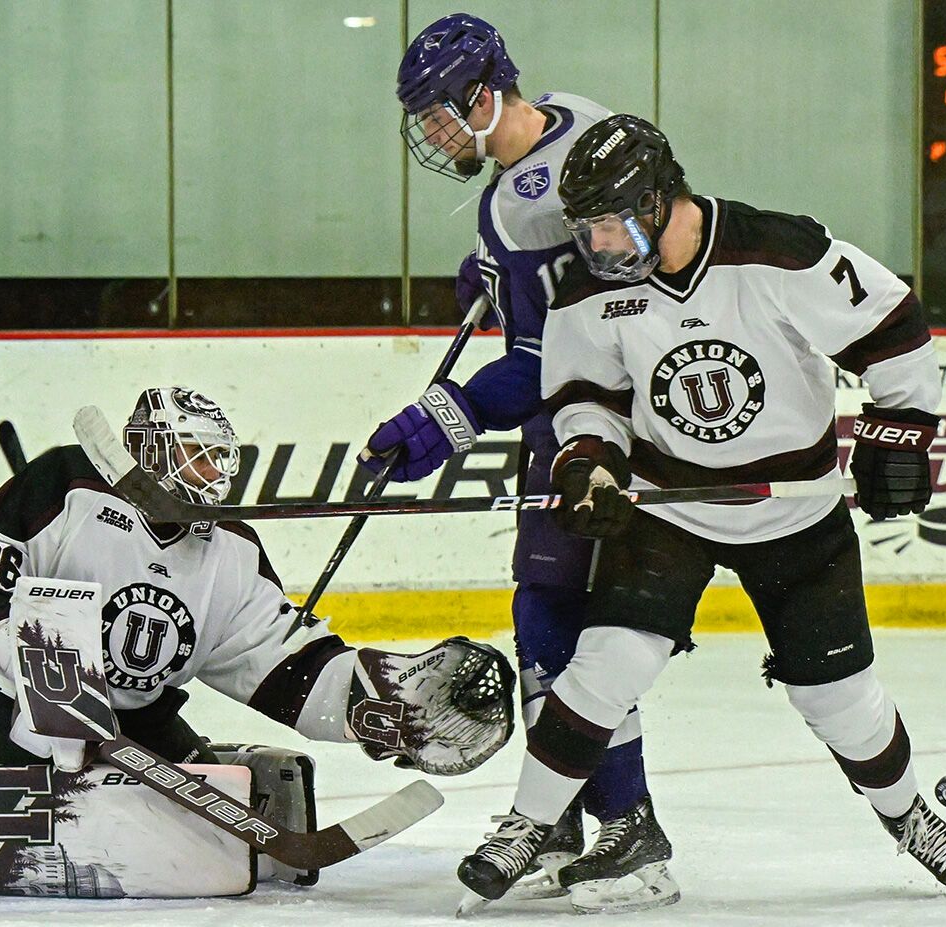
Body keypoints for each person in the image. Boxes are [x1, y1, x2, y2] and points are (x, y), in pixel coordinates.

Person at [457, 112, 946, 908]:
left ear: (656, 199)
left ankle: (909, 813)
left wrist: (898, 432)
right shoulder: (591, 288)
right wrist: (590, 462)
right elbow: (585, 398)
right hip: (671, 508)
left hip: (796, 515)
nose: (597, 245)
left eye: (609, 224)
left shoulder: (776, 249)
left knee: (837, 700)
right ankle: (528, 823)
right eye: (585, 229)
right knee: (607, 661)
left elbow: (892, 325)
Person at [358, 13, 677, 915]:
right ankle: (564, 817)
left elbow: (548, 359)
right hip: (597, 418)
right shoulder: (579, 115)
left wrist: (442, 419)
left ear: (480, 94)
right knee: (545, 618)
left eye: (436, 114)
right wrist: (498, 275)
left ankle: (628, 826)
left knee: (567, 628)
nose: (430, 135)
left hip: (600, 429)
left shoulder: (515, 207)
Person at [0, 386, 514, 780]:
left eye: (217, 459)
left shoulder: (231, 549)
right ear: (149, 449)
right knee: (125, 807)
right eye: (195, 454)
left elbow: (282, 665)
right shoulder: (65, 485)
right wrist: (51, 687)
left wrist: (378, 697)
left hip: (133, 722)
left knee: (226, 813)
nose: (211, 473)